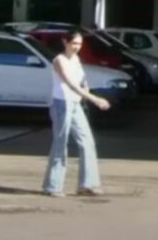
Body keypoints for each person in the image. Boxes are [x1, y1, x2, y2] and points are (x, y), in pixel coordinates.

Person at [42, 29, 110, 198]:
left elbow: (81, 81)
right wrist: (95, 99)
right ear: (65, 42)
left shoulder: (76, 59)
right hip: (61, 104)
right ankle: (53, 186)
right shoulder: (59, 60)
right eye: (74, 43)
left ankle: (87, 184)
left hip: (75, 104)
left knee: (87, 141)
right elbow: (71, 84)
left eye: (79, 44)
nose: (77, 47)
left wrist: (86, 90)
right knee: (60, 144)